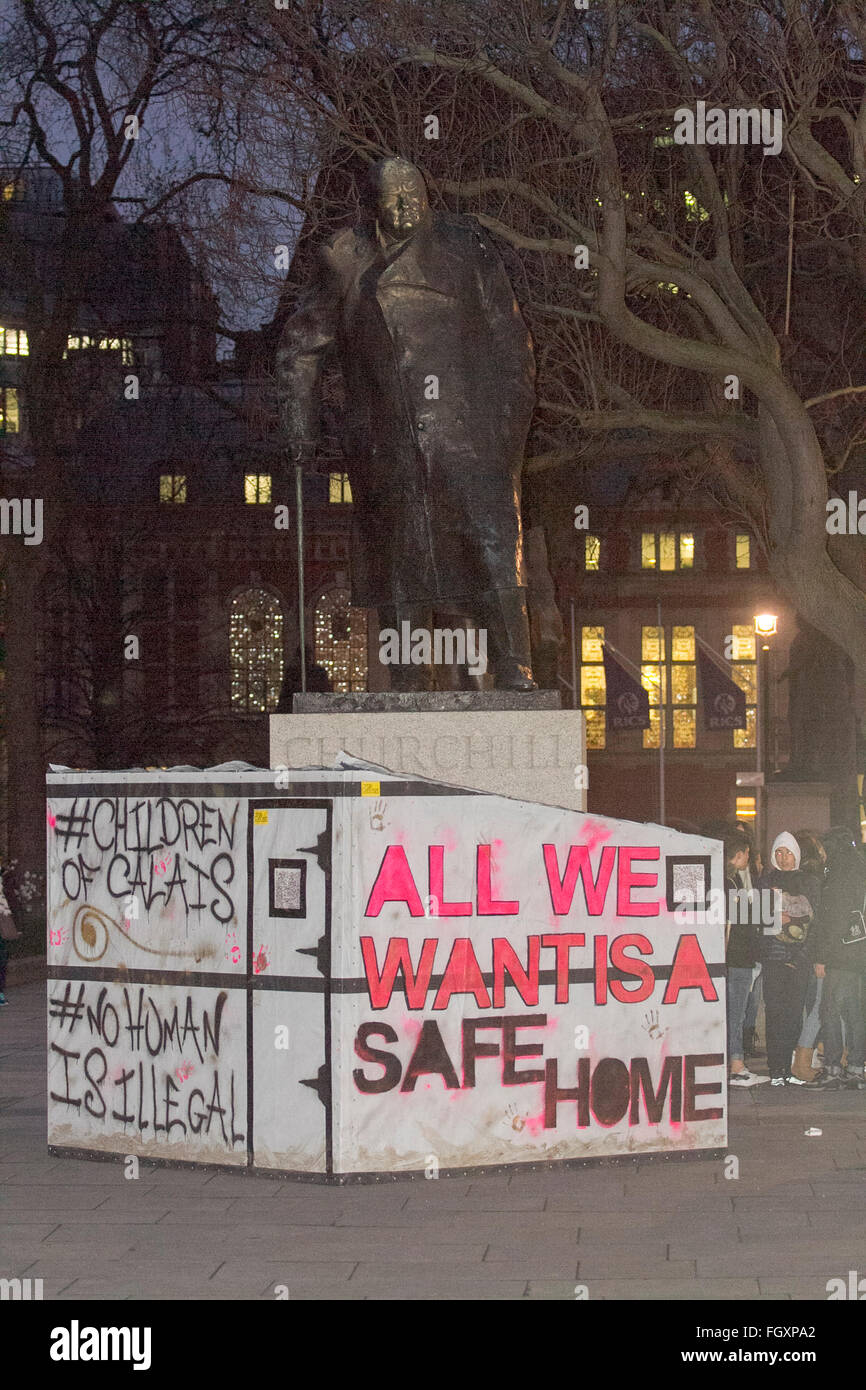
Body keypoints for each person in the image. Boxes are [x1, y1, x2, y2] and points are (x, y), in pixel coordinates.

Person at [759, 830, 820, 1086]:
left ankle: (789, 1067)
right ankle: (776, 1069)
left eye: (788, 853)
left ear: (796, 854)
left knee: (794, 1014)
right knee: (774, 1013)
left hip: (800, 960)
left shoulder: (809, 881)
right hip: (773, 958)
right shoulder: (764, 881)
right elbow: (756, 920)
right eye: (779, 853)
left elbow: (815, 922)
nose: (783, 858)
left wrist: (802, 955)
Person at [807, 827, 866, 1090]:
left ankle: (832, 1068)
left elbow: (832, 919)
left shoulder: (837, 874)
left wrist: (821, 956)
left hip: (840, 954)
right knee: (855, 1012)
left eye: (822, 849)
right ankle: (855, 1068)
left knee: (829, 1010)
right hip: (858, 952)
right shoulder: (858, 868)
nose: (821, 854)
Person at [725, 828, 768, 1087]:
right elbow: (740, 922)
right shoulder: (733, 883)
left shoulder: (721, 879)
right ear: (739, 855)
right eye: (747, 855)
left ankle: (734, 1063)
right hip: (738, 959)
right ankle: (737, 1066)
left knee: (732, 1013)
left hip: (731, 959)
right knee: (737, 1013)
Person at [790, 830, 826, 1081]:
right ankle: (805, 1058)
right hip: (817, 951)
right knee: (820, 1005)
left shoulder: (795, 878)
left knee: (812, 1005)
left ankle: (805, 1056)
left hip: (800, 950)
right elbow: (819, 919)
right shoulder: (818, 878)